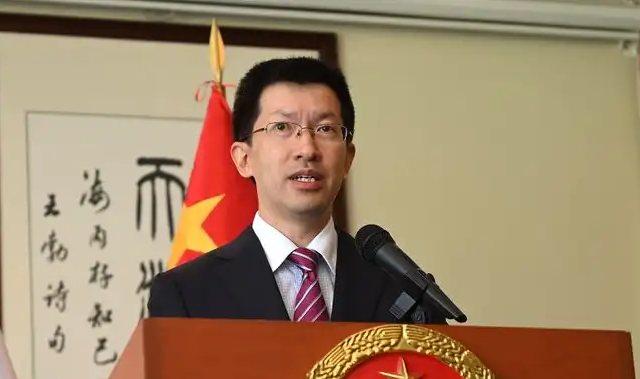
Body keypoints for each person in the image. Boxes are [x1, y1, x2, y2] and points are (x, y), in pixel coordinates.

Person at [147, 56, 443, 324]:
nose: (307, 149)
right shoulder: (186, 294)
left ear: (348, 159)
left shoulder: (402, 292)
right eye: (282, 127)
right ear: (244, 158)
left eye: (326, 129)